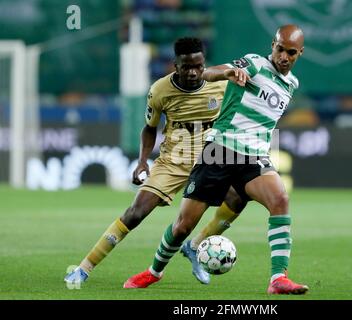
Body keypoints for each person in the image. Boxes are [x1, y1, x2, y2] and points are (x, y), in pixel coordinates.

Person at [123, 25, 309, 294]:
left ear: (299, 53)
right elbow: (208, 74)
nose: (284, 56)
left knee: (280, 198)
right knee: (183, 225)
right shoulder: (254, 64)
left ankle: (278, 279)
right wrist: (230, 72)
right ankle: (154, 272)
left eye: (291, 52)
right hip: (220, 150)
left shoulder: (292, 84)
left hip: (254, 157)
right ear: (273, 45)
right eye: (280, 49)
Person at [64, 37, 247, 286]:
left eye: (198, 66)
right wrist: (142, 161)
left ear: (204, 64)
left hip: (211, 160)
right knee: (136, 213)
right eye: (186, 67)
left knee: (238, 198)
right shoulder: (160, 90)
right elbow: (149, 128)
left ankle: (195, 246)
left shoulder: (222, 83)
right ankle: (84, 268)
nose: (193, 72)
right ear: (175, 65)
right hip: (173, 161)